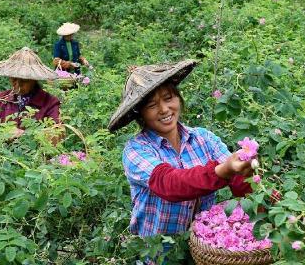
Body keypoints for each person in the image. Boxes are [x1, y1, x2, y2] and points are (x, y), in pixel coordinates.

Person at [108, 60, 254, 263]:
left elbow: (238, 177)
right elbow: (169, 183)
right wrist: (222, 171)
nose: (164, 109)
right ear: (140, 114)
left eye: (169, 98)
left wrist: (259, 196)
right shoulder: (136, 150)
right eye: (151, 105)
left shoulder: (204, 139)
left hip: (205, 244)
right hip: (158, 250)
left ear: (179, 98)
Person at [0, 47, 61, 139]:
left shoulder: (50, 103)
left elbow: (56, 134)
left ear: (33, 79)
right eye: (14, 79)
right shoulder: (1, 99)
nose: (18, 84)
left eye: (24, 80)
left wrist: (25, 134)